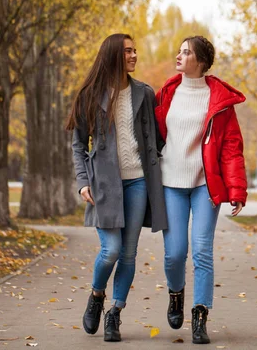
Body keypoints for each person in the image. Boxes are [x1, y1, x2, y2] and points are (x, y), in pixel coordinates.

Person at [66, 33, 167, 342]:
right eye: (127, 51)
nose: (134, 55)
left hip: (138, 182)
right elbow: (78, 145)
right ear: (112, 55)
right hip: (104, 186)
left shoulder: (144, 93)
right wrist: (83, 182)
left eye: (135, 50)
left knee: (129, 253)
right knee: (111, 250)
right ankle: (97, 295)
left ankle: (115, 313)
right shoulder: (89, 95)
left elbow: (157, 137)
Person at [154, 35, 247, 344]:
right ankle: (176, 293)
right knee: (175, 253)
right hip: (171, 184)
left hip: (205, 186)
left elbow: (231, 148)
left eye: (186, 52)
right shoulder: (167, 92)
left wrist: (236, 190)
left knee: (202, 251)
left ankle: (199, 315)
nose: (179, 56)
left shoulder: (218, 99)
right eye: (179, 50)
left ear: (202, 63)